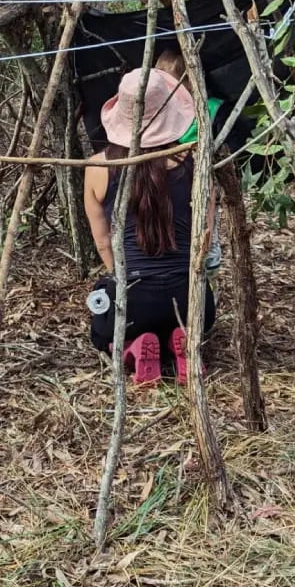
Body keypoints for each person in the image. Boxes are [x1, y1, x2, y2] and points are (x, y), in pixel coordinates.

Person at [84, 67, 216, 385]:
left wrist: (128, 280)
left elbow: (103, 242)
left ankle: (131, 346)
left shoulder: (98, 167)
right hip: (191, 301)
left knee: (101, 326)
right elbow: (205, 238)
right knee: (190, 313)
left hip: (133, 302)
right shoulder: (196, 163)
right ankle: (181, 344)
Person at [153, 49, 223, 276]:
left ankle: (208, 251)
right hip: (163, 180)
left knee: (204, 216)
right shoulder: (156, 110)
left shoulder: (211, 109)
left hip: (198, 178)